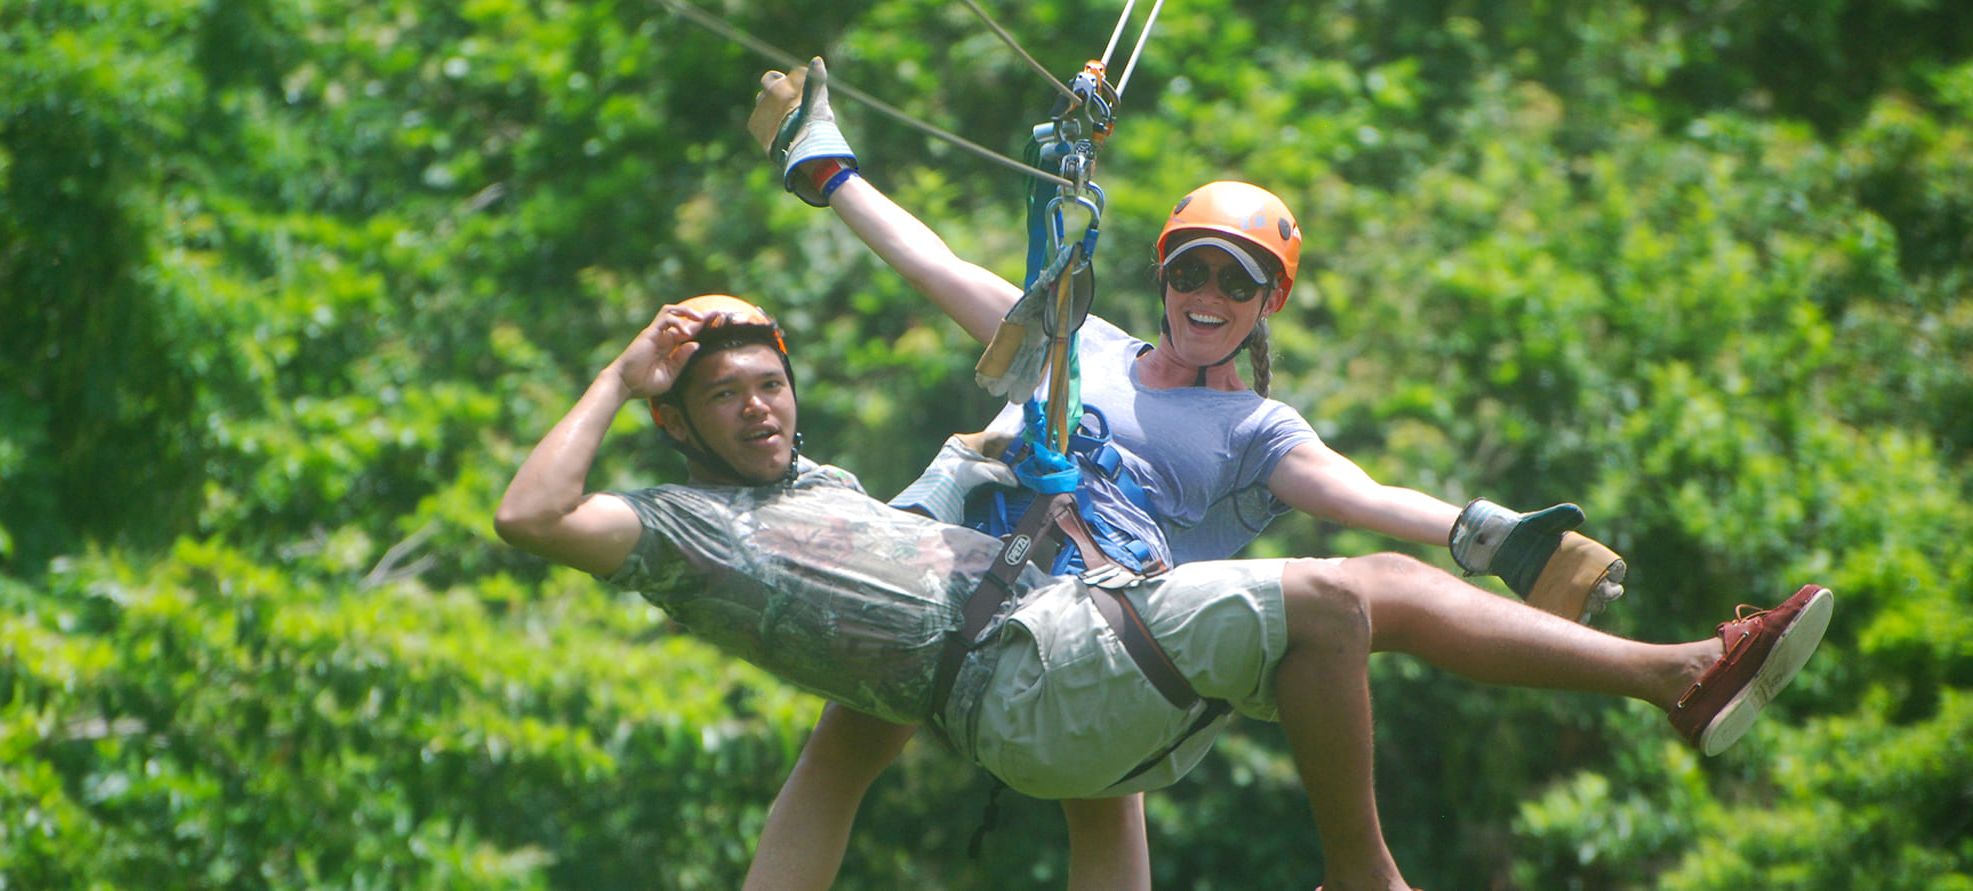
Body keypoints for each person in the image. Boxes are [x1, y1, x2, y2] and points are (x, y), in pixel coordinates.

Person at [493, 295, 1835, 891]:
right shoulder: (688, 532)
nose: (757, 404)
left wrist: (1005, 463)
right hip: (1030, 676)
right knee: (1339, 591)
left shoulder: (843, 507)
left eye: (767, 379)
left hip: (1035, 668)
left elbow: (838, 763)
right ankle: (1667, 676)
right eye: (721, 394)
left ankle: (1653, 668)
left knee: (1118, 763)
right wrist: (621, 373)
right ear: (680, 430)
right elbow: (530, 511)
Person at [740, 59, 1632, 886]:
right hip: (957, 586)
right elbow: (933, 262)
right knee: (841, 752)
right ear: (1163, 275)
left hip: (1081, 633)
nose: (1206, 295)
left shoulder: (1254, 429)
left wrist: (1480, 531)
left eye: (1236, 282)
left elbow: (1356, 493)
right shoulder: (1074, 340)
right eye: (1190, 270)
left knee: (1107, 768)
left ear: (1267, 301)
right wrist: (830, 172)